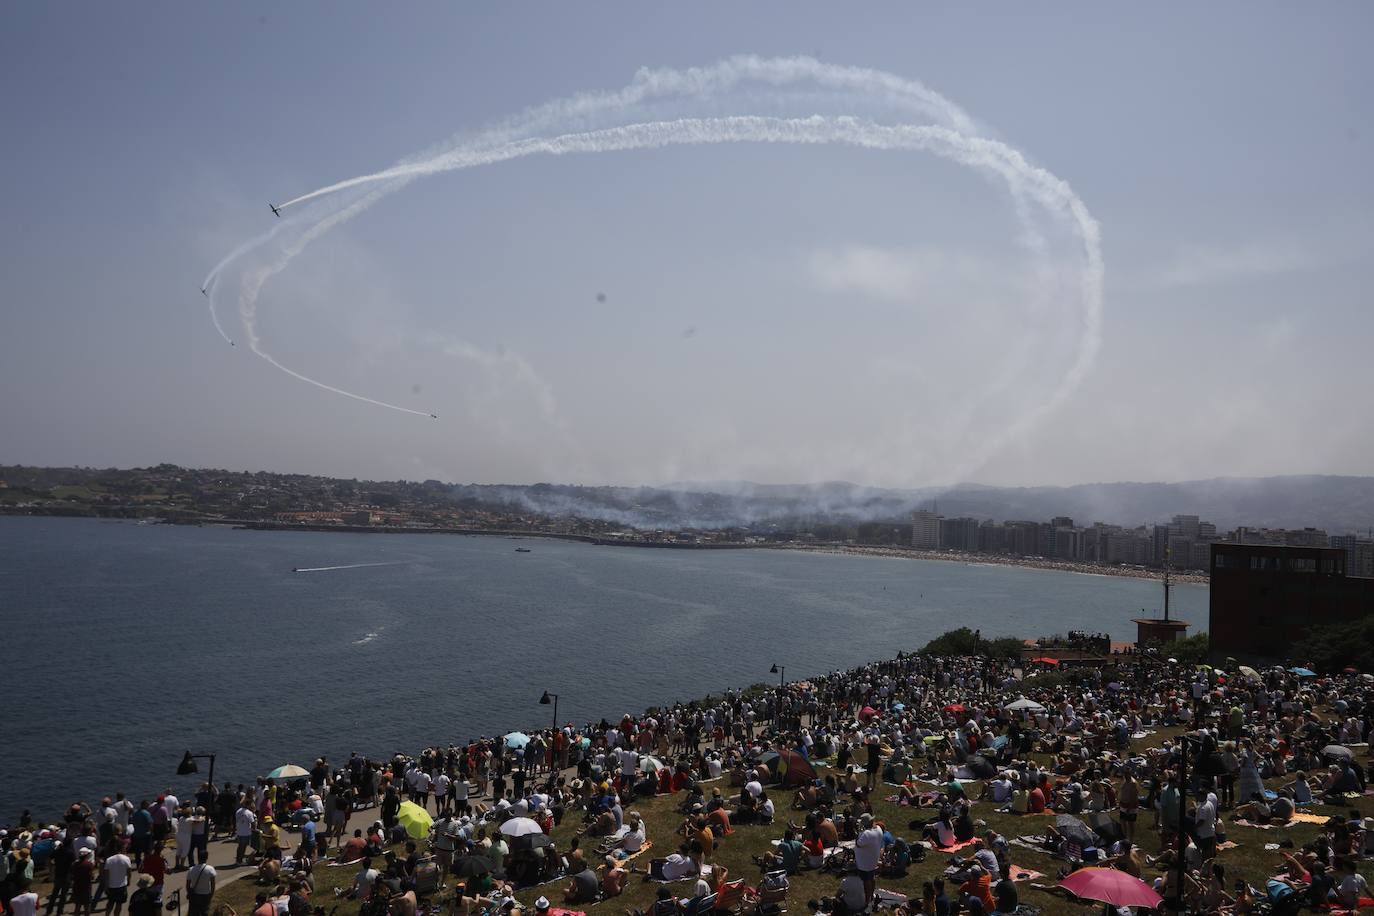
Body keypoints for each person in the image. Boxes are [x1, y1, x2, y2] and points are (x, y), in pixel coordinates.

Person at [102, 848, 132, 916]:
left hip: (111, 886)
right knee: (119, 904)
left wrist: (106, 886)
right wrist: (129, 881)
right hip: (122, 885)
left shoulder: (109, 860)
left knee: (110, 903)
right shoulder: (126, 859)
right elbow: (129, 873)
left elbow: (106, 874)